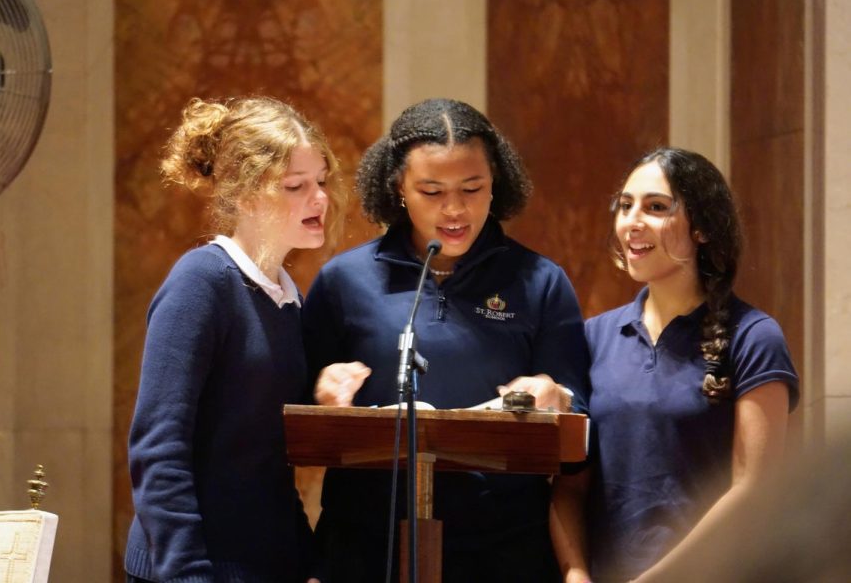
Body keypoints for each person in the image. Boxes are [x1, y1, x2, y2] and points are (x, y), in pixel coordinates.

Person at [302, 98, 590, 582]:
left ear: (495, 182)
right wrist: (321, 390)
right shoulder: (343, 281)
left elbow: (582, 418)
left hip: (503, 548)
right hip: (365, 544)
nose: (455, 210)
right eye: (432, 191)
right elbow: (292, 405)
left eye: (472, 188)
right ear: (398, 188)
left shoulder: (540, 281)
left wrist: (558, 396)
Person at [550, 147, 800, 583]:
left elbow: (754, 489)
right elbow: (570, 486)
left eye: (656, 207)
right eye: (625, 206)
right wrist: (575, 574)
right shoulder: (593, 337)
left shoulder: (754, 336)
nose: (632, 221)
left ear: (701, 228)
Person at [124, 96, 343, 583]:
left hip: (265, 565)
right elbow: (157, 450)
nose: (320, 198)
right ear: (245, 196)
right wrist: (186, 574)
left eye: (321, 182)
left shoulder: (287, 297)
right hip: (194, 567)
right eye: (296, 186)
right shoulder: (201, 282)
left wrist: (305, 561)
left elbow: (264, 459)